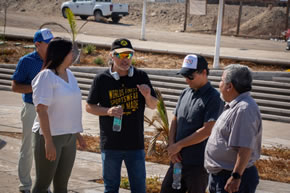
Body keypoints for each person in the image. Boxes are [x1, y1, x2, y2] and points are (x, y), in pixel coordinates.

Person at [86, 38, 158, 193]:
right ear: (111, 56)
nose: (125, 59)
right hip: (111, 144)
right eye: (120, 55)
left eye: (128, 55)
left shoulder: (141, 76)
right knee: (111, 188)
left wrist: (147, 95)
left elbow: (153, 105)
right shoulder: (101, 79)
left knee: (139, 188)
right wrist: (107, 111)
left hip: (135, 144)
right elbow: (89, 107)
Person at [160, 54, 224, 193]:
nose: (186, 80)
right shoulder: (185, 93)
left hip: (197, 164)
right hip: (177, 160)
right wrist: (172, 146)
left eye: (190, 76)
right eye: (185, 76)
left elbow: (207, 130)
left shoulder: (214, 98)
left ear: (204, 73)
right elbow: (175, 120)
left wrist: (178, 145)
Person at [31, 38, 86, 193]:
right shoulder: (46, 76)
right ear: (61, 54)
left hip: (69, 137)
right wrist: (48, 141)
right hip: (50, 136)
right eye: (71, 52)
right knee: (42, 185)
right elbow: (41, 110)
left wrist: (78, 135)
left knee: (62, 186)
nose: (74, 55)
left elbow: (70, 108)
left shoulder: (70, 74)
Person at [204, 64, 262, 193]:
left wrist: (236, 176)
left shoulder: (244, 109)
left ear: (229, 86)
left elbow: (245, 148)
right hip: (222, 175)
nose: (219, 84)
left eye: (221, 80)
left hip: (231, 177)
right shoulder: (234, 105)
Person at [11, 28, 54, 193]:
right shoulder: (26, 61)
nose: (51, 46)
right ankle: (25, 186)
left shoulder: (55, 61)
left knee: (48, 148)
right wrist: (36, 88)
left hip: (50, 111)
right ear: (38, 44)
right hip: (31, 109)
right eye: (48, 44)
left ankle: (44, 186)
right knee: (28, 147)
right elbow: (15, 87)